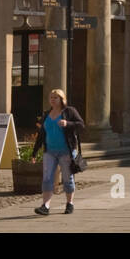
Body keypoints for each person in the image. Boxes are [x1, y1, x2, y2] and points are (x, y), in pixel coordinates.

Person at [33, 88, 85, 216]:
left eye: (55, 97)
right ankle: (45, 206)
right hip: (49, 151)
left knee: (67, 178)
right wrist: (34, 152)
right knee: (47, 179)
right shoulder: (46, 114)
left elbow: (81, 125)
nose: (52, 100)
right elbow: (41, 135)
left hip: (66, 151)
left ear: (62, 99)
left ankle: (70, 203)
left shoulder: (69, 111)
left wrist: (68, 123)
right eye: (51, 97)